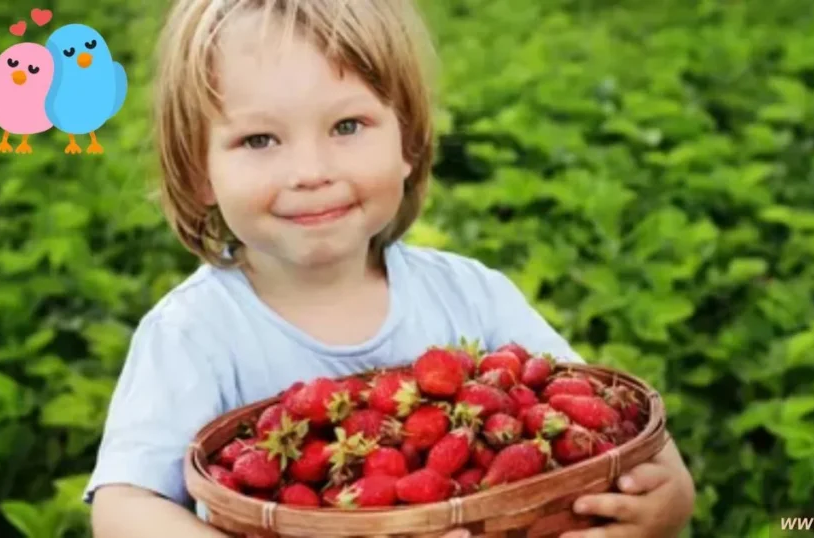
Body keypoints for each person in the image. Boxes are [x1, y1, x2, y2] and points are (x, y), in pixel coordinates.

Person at [84, 1, 696, 537]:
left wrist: (666, 499)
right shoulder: (196, 333)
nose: (311, 170)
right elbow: (123, 506)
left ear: (408, 143)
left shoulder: (472, 296)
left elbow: (609, 415)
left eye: (347, 126)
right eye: (260, 140)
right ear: (199, 173)